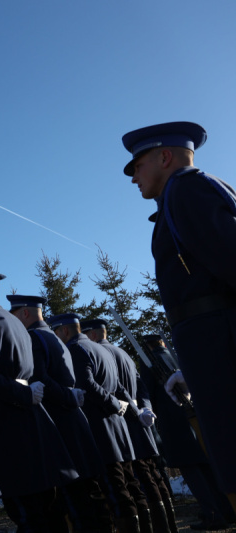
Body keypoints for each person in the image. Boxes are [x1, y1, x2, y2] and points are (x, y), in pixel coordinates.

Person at [123, 121, 236, 495]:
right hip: (210, 343)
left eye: (137, 166)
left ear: (165, 156)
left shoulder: (186, 189)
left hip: (218, 342)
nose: (134, 176)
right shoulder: (180, 195)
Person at [0, 273, 77, 533]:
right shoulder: (17, 324)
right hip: (32, 420)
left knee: (25, 511)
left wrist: (20, 394)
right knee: (46, 507)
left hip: (6, 421)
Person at [7, 295, 109, 532]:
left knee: (73, 503)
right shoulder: (55, 337)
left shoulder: (33, 337)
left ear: (24, 313)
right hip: (75, 422)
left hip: (59, 425)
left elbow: (40, 378)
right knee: (90, 499)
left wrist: (65, 396)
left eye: (14, 315)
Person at [82, 318, 177, 532]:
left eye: (86, 334)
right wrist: (144, 408)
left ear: (95, 335)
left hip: (122, 421)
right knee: (151, 475)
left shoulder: (98, 353)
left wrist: (135, 410)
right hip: (139, 420)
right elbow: (141, 386)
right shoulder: (122, 353)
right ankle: (167, 526)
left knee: (135, 480)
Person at [50, 313, 140, 533]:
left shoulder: (75, 350)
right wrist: (126, 407)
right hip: (117, 426)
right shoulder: (101, 349)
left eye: (56, 333)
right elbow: (119, 387)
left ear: (65, 331)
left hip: (100, 428)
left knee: (114, 490)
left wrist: (112, 404)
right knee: (127, 486)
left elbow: (87, 385)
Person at [142, 334, 236, 530]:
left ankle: (212, 514)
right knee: (207, 469)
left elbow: (148, 395)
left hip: (174, 426)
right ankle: (226, 509)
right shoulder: (173, 356)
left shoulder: (150, 362)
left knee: (191, 472)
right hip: (193, 418)